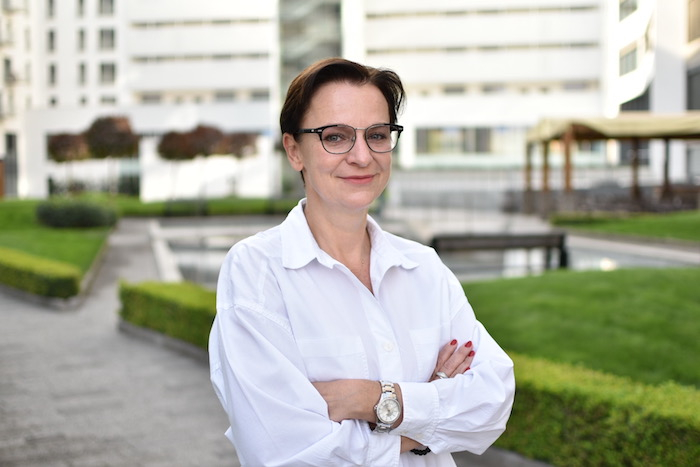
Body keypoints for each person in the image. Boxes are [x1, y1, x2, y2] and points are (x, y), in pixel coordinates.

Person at [209, 57, 515, 466]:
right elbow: (286, 451)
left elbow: (492, 402)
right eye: (335, 137)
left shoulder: (423, 268)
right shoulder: (258, 271)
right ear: (294, 150)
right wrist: (429, 411)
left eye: (377, 135)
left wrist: (368, 398)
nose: (362, 155)